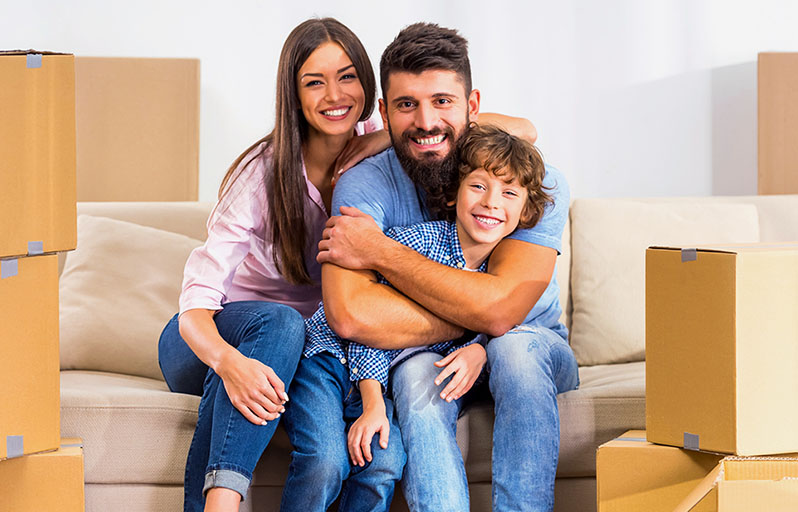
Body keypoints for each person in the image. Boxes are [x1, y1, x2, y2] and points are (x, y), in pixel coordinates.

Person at [317, 23, 579, 512]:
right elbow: (353, 316)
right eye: (406, 104)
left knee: (514, 350)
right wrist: (480, 312)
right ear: (384, 113)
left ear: (472, 107)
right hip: (428, 357)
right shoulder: (364, 186)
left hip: (529, 345)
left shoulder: (529, 182)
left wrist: (379, 251)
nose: (425, 121)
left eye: (442, 101)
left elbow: (504, 312)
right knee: (417, 376)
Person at [157, 18, 392, 512]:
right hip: (206, 340)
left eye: (347, 76)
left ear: (367, 83)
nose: (335, 94)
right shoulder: (261, 172)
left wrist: (381, 138)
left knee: (289, 344)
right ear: (293, 93)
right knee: (282, 323)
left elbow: (514, 130)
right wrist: (229, 362)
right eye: (314, 81)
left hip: (297, 356)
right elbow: (195, 308)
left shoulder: (381, 144)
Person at [281, 123, 548, 511]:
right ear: (454, 194)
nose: (492, 203)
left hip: (373, 376)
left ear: (524, 212)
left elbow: (502, 320)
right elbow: (369, 325)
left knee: (383, 461)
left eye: (508, 193)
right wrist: (373, 402)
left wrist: (481, 349)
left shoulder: (497, 276)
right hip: (328, 357)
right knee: (327, 461)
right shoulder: (417, 243)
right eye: (478, 187)